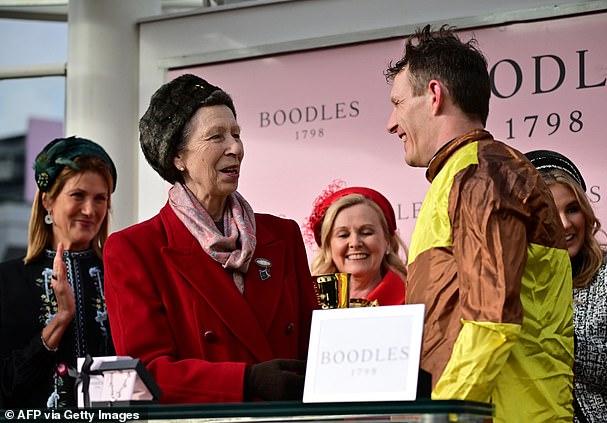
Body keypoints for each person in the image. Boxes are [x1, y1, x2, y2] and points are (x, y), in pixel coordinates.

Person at [384, 25, 574, 422]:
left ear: (434, 95)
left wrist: (442, 414)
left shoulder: (481, 173)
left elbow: (492, 320)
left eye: (398, 103)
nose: (391, 122)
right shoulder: (467, 173)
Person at [103, 74, 318, 404]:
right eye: (216, 137)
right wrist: (247, 382)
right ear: (178, 157)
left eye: (236, 134)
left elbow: (315, 346)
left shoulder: (283, 236)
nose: (236, 148)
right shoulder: (134, 249)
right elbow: (142, 375)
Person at [0, 136, 117, 407]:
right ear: (47, 201)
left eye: (100, 198)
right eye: (78, 195)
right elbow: (6, 385)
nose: (90, 210)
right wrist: (60, 320)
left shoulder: (120, 279)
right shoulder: (6, 283)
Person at [526, 149, 607, 423]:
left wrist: (559, 341)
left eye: (572, 209)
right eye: (551, 211)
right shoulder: (516, 287)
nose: (565, 224)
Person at [307, 184, 407, 305]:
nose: (355, 243)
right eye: (343, 235)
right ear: (328, 246)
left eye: (366, 232)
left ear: (387, 241)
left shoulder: (412, 299)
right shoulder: (308, 305)